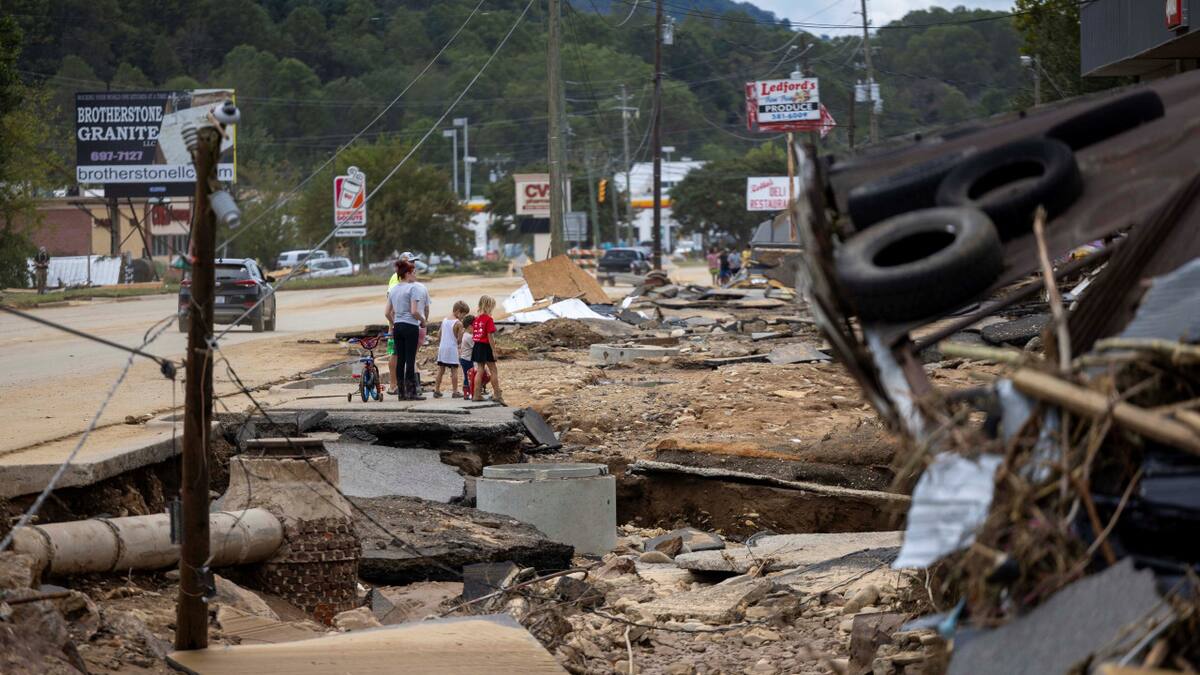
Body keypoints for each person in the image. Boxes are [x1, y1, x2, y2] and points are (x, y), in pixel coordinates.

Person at [385, 260, 429, 400]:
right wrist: (423, 321)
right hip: (410, 326)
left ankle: (401, 393)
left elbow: (387, 313)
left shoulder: (393, 289)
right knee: (410, 360)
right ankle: (412, 392)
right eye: (413, 272)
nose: (415, 276)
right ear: (407, 274)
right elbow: (414, 311)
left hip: (398, 327)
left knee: (400, 360)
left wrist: (394, 323)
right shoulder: (412, 288)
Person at [471, 295, 503, 405]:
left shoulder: (476, 319)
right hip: (486, 346)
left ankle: (476, 394)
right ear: (489, 306)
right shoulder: (489, 319)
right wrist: (494, 350)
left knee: (480, 370)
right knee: (493, 370)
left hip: (477, 345)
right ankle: (497, 394)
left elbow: (475, 333)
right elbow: (490, 336)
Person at [434, 301, 469, 398]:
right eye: (463, 314)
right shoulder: (458, 323)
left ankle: (436, 390)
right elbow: (459, 340)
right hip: (452, 348)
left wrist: (443, 341)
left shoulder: (444, 320)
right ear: (458, 311)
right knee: (454, 370)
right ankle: (455, 391)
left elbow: (439, 334)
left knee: (441, 370)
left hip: (442, 347)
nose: (463, 317)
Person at [459, 314, 475, 398]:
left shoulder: (465, 335)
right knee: (470, 376)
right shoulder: (469, 337)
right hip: (468, 359)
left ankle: (466, 393)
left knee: (466, 376)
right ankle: (470, 392)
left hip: (464, 358)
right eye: (474, 326)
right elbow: (475, 346)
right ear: (469, 326)